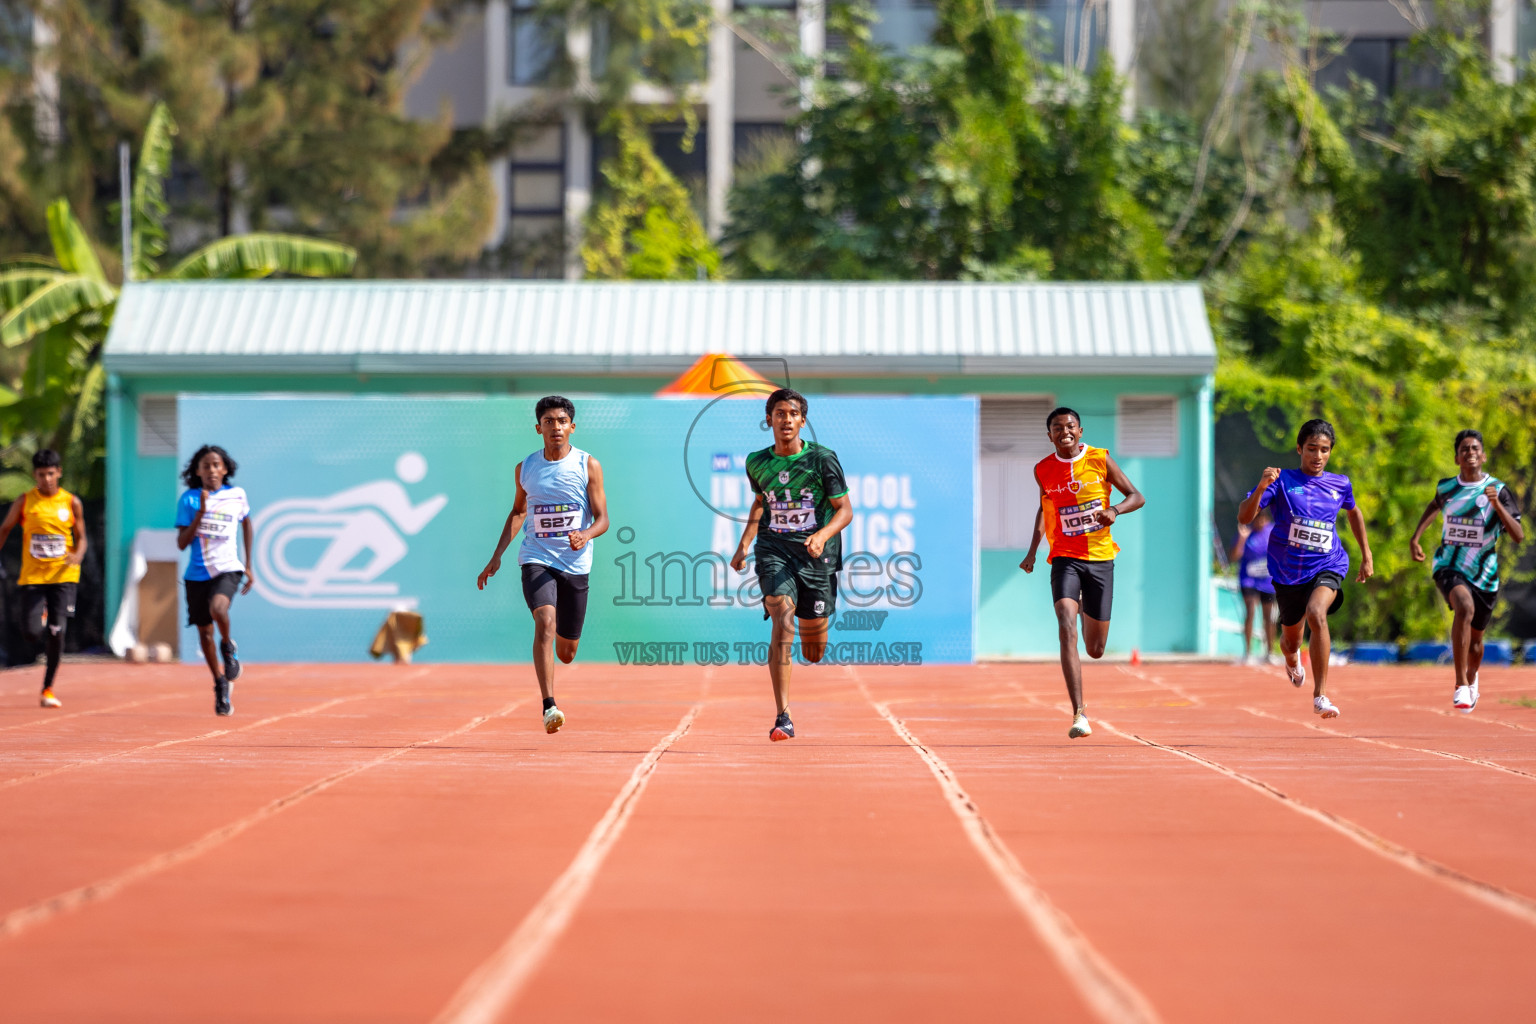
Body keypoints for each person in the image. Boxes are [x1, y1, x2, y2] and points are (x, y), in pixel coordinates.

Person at [478, 396, 608, 734]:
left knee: (566, 651)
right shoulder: (526, 468)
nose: (555, 427)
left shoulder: (587, 465)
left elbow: (603, 518)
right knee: (545, 623)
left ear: (572, 427)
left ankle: (559, 664)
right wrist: (497, 555)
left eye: (562, 421)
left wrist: (586, 534)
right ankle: (549, 705)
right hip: (536, 556)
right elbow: (519, 512)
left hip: (575, 563)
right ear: (539, 428)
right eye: (548, 421)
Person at [730, 388, 852, 742]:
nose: (786, 419)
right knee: (782, 617)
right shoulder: (757, 462)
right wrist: (744, 545)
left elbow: (845, 510)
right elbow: (759, 503)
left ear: (802, 420)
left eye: (792, 413)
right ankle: (783, 715)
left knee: (814, 651)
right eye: (779, 413)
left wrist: (821, 535)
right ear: (769, 420)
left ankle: (813, 633)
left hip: (817, 555)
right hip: (774, 549)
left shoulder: (822, 460)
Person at [1021, 407, 1144, 739]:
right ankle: (1079, 713)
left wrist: (1114, 510)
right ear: (1049, 436)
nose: (1065, 431)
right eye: (1057, 428)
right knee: (1065, 620)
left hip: (1100, 559)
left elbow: (1137, 496)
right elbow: (1044, 508)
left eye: (1070, 426)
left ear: (1080, 430)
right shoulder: (1043, 469)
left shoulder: (1100, 459)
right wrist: (1033, 550)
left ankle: (1093, 629)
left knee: (1095, 649)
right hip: (1064, 557)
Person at [1237, 419, 1373, 719]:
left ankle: (1321, 695)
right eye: (1312, 449)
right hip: (1288, 573)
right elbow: (1246, 516)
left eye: (1324, 450)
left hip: (1328, 563)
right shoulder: (1282, 481)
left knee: (1316, 612)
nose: (1318, 456)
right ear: (1300, 448)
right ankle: (1292, 659)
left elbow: (1354, 512)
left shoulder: (1340, 484)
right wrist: (1261, 486)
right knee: (1290, 641)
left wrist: (1366, 554)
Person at [1409, 428, 1523, 713]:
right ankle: (1460, 684)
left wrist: (1496, 504)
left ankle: (1471, 678)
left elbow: (1518, 535)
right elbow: (1435, 504)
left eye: (1475, 449)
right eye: (1465, 450)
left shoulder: (1499, 489)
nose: (1470, 453)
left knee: (1476, 642)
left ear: (1483, 455)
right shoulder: (1447, 487)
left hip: (1485, 574)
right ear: (1457, 457)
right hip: (1449, 565)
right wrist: (1416, 537)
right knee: (1463, 607)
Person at [0, 450, 87, 707]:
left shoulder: (71, 503)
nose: (46, 479)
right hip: (34, 578)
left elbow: (81, 538)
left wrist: (78, 555)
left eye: (51, 473)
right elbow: (4, 529)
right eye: (41, 474)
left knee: (58, 633)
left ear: (58, 472)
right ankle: (43, 614)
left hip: (64, 575)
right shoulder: (25, 502)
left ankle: (47, 688)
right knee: (31, 633)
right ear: (34, 475)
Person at [176, 445, 253, 716]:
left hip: (228, 568)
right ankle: (219, 682)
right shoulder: (189, 499)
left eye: (216, 465)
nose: (211, 470)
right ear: (197, 471)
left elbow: (246, 524)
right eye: (205, 466)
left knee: (219, 609)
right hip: (196, 575)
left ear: (225, 469)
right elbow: (182, 544)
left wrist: (249, 566)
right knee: (204, 632)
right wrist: (201, 512)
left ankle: (228, 646)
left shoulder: (236, 496)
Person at [1231, 509, 1277, 664]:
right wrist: (1242, 539)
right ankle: (1248, 653)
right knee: (1250, 610)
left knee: (1269, 616)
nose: (1260, 522)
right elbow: (1234, 556)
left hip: (1268, 581)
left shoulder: (1273, 530)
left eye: (1262, 519)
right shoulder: (1245, 532)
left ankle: (1269, 652)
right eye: (1257, 519)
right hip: (1249, 580)